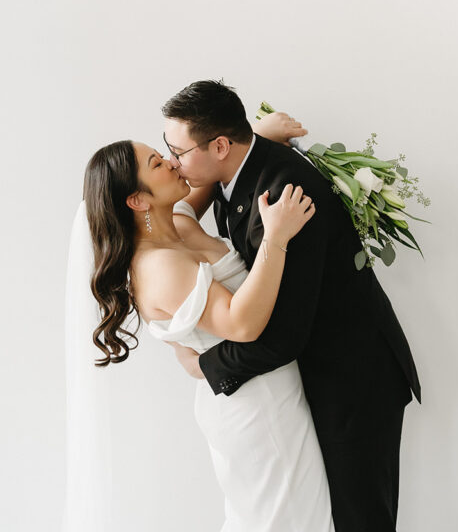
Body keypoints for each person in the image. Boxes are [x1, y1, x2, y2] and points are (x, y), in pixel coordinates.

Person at [162, 80, 422, 532]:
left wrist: (205, 366)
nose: (171, 160)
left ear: (220, 145)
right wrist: (258, 133)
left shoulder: (285, 194)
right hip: (311, 379)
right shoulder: (233, 169)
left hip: (352, 382)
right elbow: (185, 211)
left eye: (177, 151)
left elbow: (284, 334)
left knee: (361, 522)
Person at [66, 108, 336, 532]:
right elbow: (242, 324)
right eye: (158, 163)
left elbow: (208, 177)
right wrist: (277, 238)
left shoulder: (173, 222)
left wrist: (252, 138)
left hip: (270, 391)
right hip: (254, 409)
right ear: (137, 200)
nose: (173, 161)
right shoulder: (159, 266)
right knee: (286, 520)